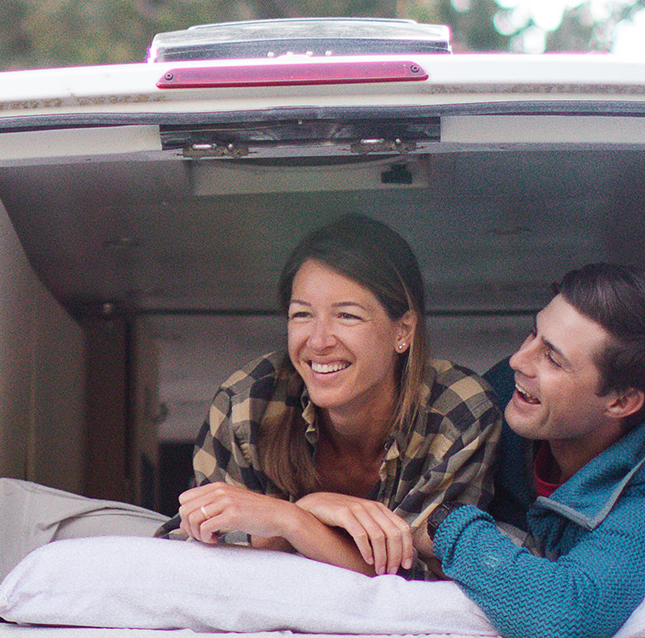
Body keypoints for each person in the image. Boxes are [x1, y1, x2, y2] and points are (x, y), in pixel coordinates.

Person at [312, 262, 645, 638]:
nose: (519, 360)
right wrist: (309, 508)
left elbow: (564, 622)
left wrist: (445, 525)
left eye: (553, 359)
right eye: (533, 334)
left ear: (621, 401)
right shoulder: (504, 397)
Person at [173, 215, 503, 579]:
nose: (318, 341)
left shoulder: (458, 412)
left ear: (403, 330)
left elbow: (428, 579)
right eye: (302, 314)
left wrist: (296, 521)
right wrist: (298, 516)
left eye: (347, 316)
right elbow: (193, 555)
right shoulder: (247, 402)